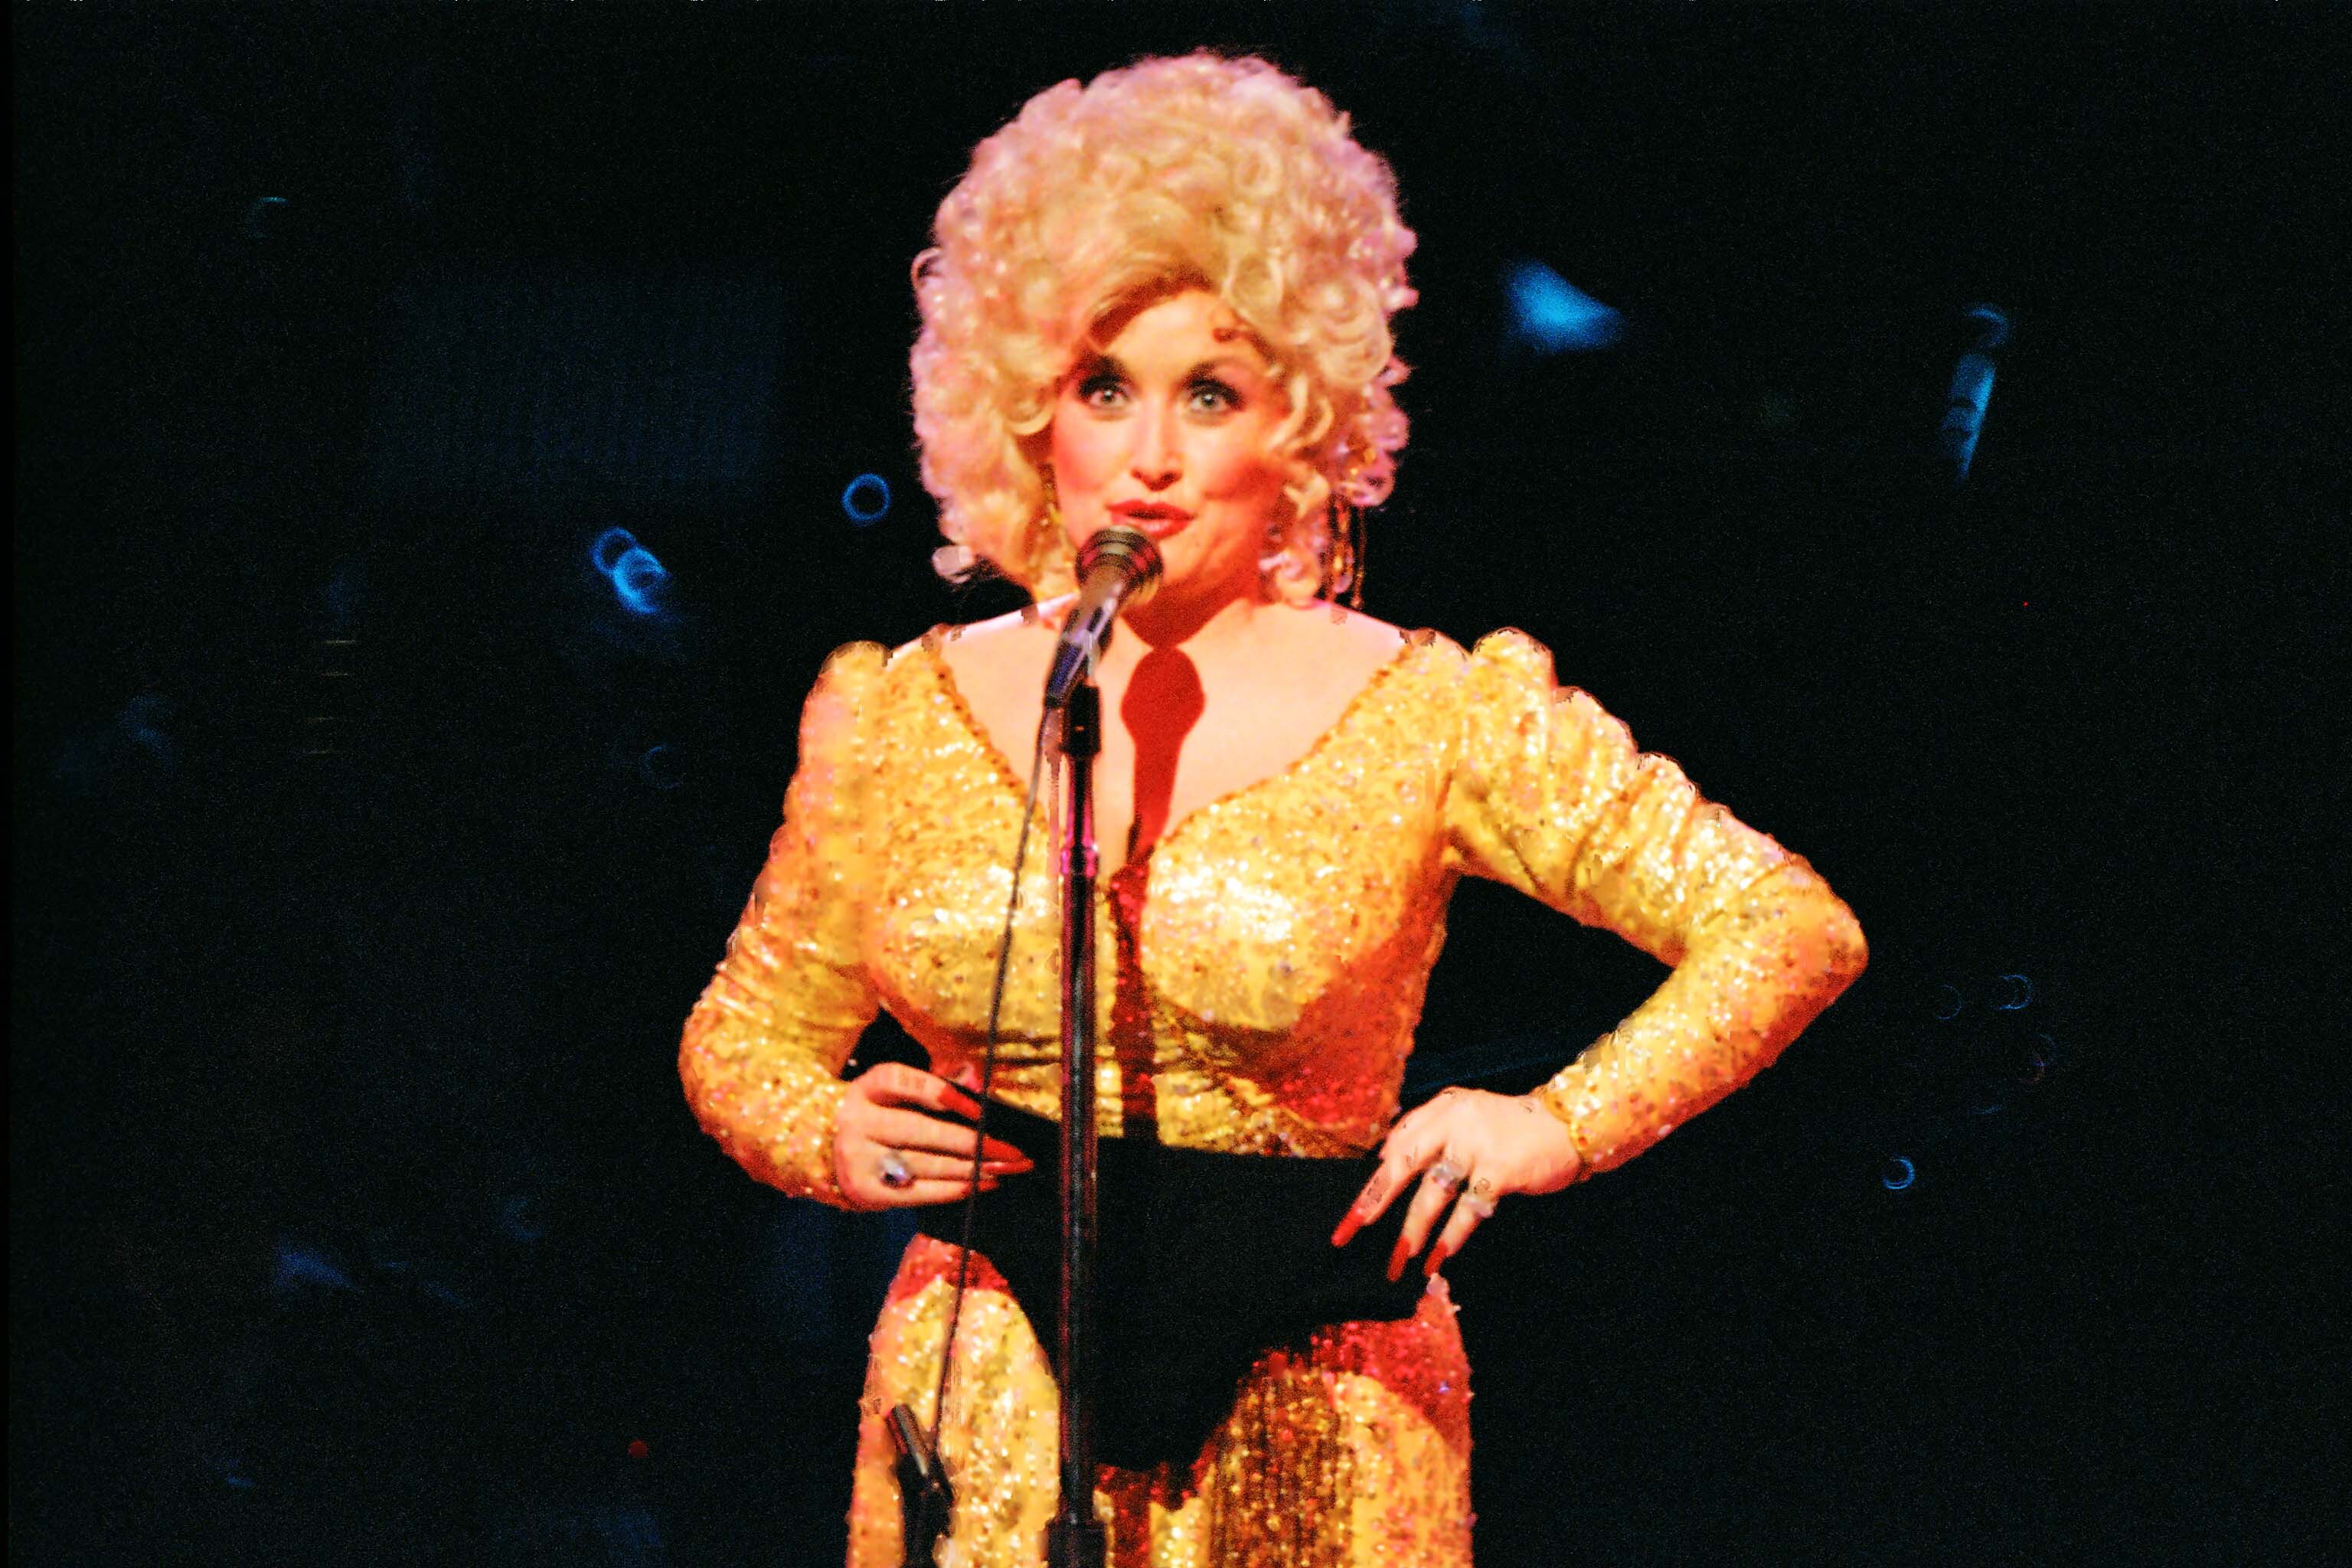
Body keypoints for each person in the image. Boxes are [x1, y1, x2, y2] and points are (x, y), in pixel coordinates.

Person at [681, 52, 1866, 1568]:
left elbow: (1785, 924)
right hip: (982, 1397)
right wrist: (819, 1127)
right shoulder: (900, 711)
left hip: (1320, 1414)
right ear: (1028, 407)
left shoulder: (1437, 710)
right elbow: (742, 1035)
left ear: (1298, 422)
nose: (1150, 458)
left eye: (1210, 394)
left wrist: (1557, 1123)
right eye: (1104, 388)